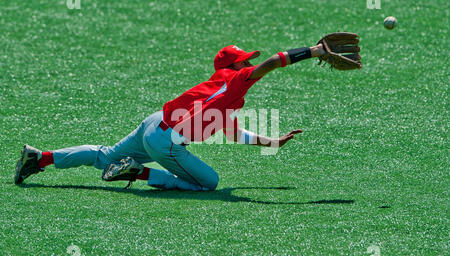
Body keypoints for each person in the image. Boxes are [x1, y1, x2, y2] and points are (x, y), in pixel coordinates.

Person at [14, 43, 326, 191]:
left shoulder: (218, 88)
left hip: (152, 124)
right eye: (242, 61)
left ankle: (40, 158)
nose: (246, 65)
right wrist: (313, 51)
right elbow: (272, 62)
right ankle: (139, 173)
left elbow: (231, 132)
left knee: (105, 155)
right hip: (167, 141)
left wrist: (271, 141)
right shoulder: (234, 82)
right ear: (232, 66)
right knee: (208, 183)